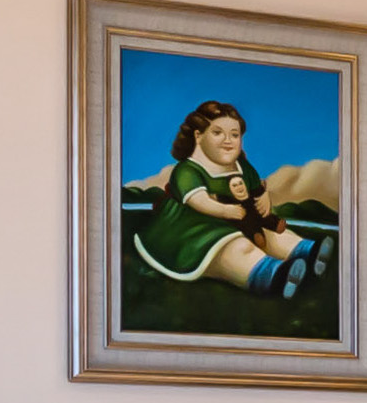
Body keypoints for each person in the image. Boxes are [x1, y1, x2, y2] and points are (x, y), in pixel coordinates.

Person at [133, 101, 336, 294]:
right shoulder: (188, 170)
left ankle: (306, 252)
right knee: (237, 248)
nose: (228, 140)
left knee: (271, 234)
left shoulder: (241, 166)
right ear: (198, 136)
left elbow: (257, 187)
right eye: (217, 133)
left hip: (239, 219)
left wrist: (264, 198)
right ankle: (271, 274)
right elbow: (199, 200)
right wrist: (225, 210)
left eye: (235, 134)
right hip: (195, 228)